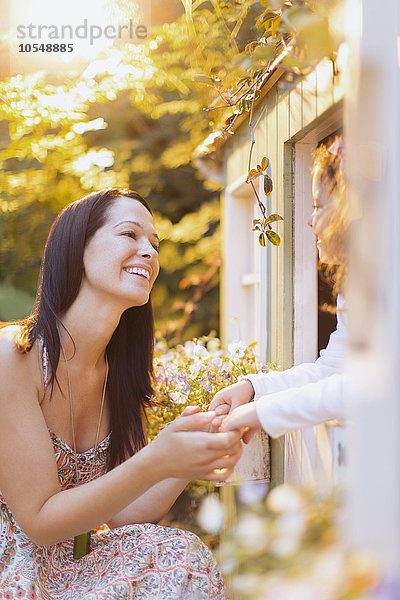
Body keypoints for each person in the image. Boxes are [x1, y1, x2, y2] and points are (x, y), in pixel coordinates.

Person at [0, 188, 243, 600]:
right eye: (129, 235)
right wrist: (158, 458)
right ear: (77, 248)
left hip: (71, 569)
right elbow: (39, 522)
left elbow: (124, 514)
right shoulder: (15, 356)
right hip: (14, 572)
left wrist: (192, 451)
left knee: (182, 554)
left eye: (155, 244)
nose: (148, 251)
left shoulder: (121, 376)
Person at [209, 137, 349, 441]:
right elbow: (333, 370)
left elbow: (369, 382)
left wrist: (262, 413)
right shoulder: (354, 286)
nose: (310, 221)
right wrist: (253, 388)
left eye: (318, 205)